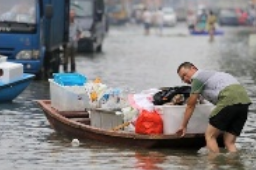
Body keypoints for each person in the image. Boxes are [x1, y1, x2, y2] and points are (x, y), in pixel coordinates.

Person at [176, 62, 251, 153]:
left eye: (185, 75)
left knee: (210, 136)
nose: (185, 79)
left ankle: (213, 165)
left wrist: (183, 126)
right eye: (182, 79)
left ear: (193, 68)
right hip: (244, 102)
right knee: (229, 142)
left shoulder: (197, 77)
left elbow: (191, 105)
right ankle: (234, 164)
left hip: (229, 99)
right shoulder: (212, 75)